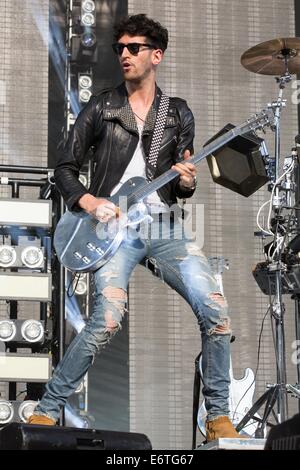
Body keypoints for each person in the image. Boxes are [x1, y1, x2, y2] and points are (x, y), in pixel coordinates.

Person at [28, 13, 242, 441]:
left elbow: (182, 186)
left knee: (217, 313)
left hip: (163, 227)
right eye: (119, 48)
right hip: (112, 230)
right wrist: (90, 202)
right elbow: (65, 167)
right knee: (105, 320)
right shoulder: (103, 106)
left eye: (134, 48)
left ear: (156, 55)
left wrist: (187, 180)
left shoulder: (177, 113)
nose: (124, 55)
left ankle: (217, 416)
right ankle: (48, 408)